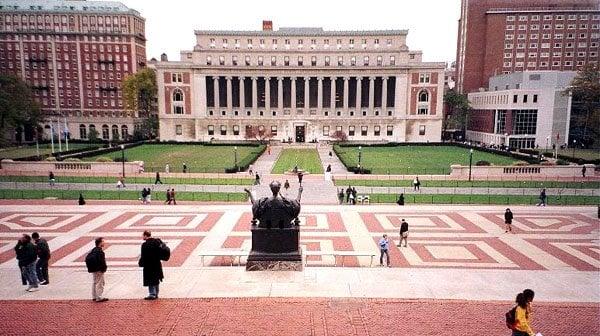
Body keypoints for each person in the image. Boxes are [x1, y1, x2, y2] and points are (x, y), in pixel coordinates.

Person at [138, 231, 164, 300]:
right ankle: (156, 293)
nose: (142, 237)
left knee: (150, 279)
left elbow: (143, 256)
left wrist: (141, 263)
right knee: (156, 278)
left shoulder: (144, 245)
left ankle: (152, 294)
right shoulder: (157, 242)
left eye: (143, 235)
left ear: (146, 235)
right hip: (157, 264)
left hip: (148, 265)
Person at [89, 237, 108, 302]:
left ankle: (94, 296)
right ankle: (99, 297)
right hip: (99, 269)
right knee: (100, 283)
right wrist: (104, 268)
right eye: (103, 241)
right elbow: (102, 262)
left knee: (95, 282)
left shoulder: (94, 250)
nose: (104, 242)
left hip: (94, 269)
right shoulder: (100, 251)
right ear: (100, 243)